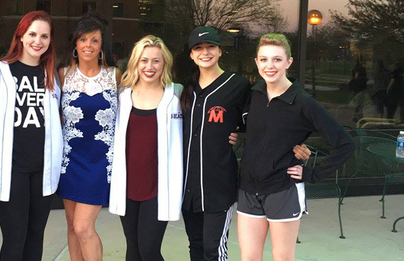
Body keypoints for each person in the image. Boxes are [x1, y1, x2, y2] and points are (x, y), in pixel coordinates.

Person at [180, 26, 311, 261]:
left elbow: (265, 122)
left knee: (213, 249)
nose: (205, 52)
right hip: (189, 186)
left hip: (219, 184)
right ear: (191, 54)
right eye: (198, 48)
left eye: (211, 46)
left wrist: (297, 145)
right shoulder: (186, 89)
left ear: (220, 51)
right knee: (195, 246)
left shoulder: (238, 85)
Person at [237, 33, 355, 261]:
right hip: (249, 189)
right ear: (256, 62)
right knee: (249, 258)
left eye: (277, 59)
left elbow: (345, 144)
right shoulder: (253, 95)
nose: (269, 66)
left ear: (288, 62)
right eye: (263, 59)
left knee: (282, 258)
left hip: (282, 190)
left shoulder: (303, 102)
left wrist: (312, 173)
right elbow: (255, 130)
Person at [0, 11, 62, 261]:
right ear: (20, 35)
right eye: (32, 34)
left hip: (43, 169)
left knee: (36, 234)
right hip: (12, 169)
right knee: (14, 237)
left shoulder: (52, 74)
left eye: (44, 36)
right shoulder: (1, 71)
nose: (38, 41)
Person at [108, 35, 183, 261]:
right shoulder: (122, 96)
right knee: (133, 249)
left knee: (149, 250)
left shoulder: (176, 96)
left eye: (156, 61)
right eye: (144, 60)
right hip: (128, 185)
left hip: (158, 187)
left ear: (165, 64)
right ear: (135, 63)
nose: (149, 67)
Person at [56, 13, 120, 261]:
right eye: (83, 39)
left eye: (94, 40)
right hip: (70, 160)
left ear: (102, 45)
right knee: (72, 225)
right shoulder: (63, 75)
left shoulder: (115, 76)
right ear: (75, 44)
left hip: (100, 161)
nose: (88, 46)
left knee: (84, 226)